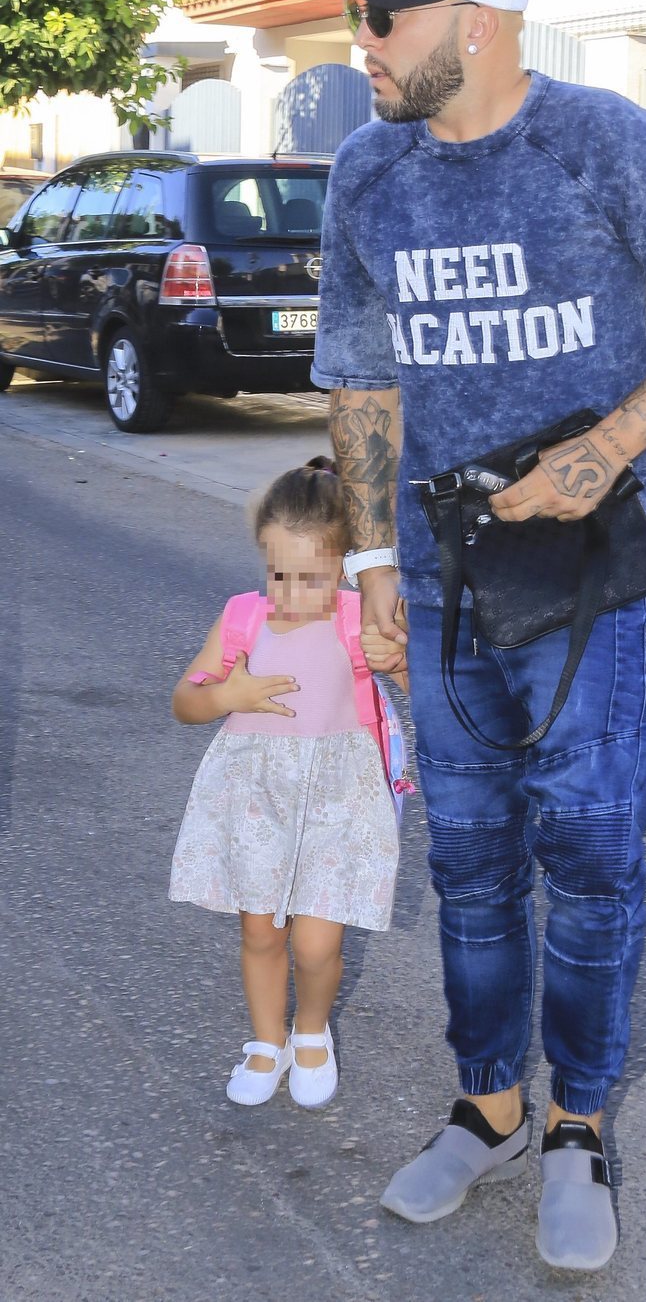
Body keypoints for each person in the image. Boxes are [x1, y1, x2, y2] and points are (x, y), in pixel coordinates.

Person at [310, 0, 646, 1270]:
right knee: (465, 859)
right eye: (359, 15)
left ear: (476, 19)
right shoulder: (365, 175)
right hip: (442, 578)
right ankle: (487, 1104)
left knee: (587, 859)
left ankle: (578, 1123)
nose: (364, 40)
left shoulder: (601, 142)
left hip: (587, 578)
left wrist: (605, 448)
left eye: (381, 15)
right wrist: (373, 560)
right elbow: (361, 377)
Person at [169, 457, 401, 1109]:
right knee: (263, 932)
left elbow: (418, 692)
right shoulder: (243, 617)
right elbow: (184, 700)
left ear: (346, 565)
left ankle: (310, 1031)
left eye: (313, 579)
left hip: (335, 801)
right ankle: (266, 1041)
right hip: (254, 804)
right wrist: (226, 695)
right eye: (279, 575)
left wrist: (398, 658)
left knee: (317, 942)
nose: (293, 594)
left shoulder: (359, 618)